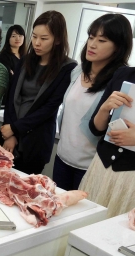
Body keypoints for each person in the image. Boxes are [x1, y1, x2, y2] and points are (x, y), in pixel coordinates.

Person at [54, 14, 132, 191]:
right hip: (63, 157)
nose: (93, 44)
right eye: (91, 37)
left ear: (118, 46)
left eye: (102, 40)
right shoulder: (77, 71)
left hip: (90, 165)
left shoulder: (121, 81)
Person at [1, 11, 77, 175]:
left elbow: (49, 108)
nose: (36, 43)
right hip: (10, 135)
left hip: (36, 140)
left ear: (57, 39)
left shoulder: (67, 67)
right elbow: (11, 97)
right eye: (34, 36)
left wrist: (15, 128)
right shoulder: (25, 60)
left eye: (44, 39)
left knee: (25, 190)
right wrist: (10, 133)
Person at [78, 66, 135, 217]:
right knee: (83, 224)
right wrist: (104, 108)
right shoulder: (124, 73)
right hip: (101, 167)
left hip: (131, 178)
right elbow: (96, 128)